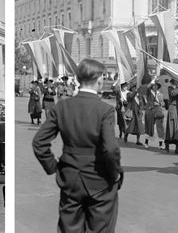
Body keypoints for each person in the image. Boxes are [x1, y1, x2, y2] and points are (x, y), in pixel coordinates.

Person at [32, 58, 122, 233]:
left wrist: (54, 167)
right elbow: (110, 148)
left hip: (70, 178)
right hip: (100, 180)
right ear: (99, 80)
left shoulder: (62, 107)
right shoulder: (105, 110)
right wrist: (115, 173)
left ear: (79, 80)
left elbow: (39, 142)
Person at [143, 81, 166, 149]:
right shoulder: (149, 93)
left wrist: (159, 104)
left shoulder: (160, 94)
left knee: (160, 128)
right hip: (150, 112)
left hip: (158, 112)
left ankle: (160, 144)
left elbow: (163, 103)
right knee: (149, 127)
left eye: (156, 86)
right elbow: (147, 88)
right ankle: (146, 142)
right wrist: (152, 80)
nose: (155, 87)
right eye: (154, 85)